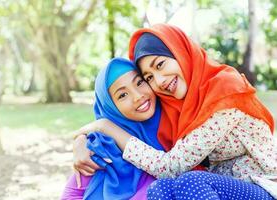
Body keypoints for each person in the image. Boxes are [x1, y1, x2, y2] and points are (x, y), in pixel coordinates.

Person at [74, 24, 277, 198]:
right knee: (159, 190)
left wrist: (104, 126)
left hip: (263, 186)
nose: (160, 81)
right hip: (222, 189)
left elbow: (171, 166)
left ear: (180, 52)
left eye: (160, 64)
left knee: (191, 182)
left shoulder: (224, 90)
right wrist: (81, 139)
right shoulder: (178, 107)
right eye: (150, 77)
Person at [61, 57, 165, 200]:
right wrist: (82, 139)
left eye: (139, 82)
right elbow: (71, 194)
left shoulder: (174, 127)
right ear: (111, 107)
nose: (138, 96)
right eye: (122, 95)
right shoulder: (102, 146)